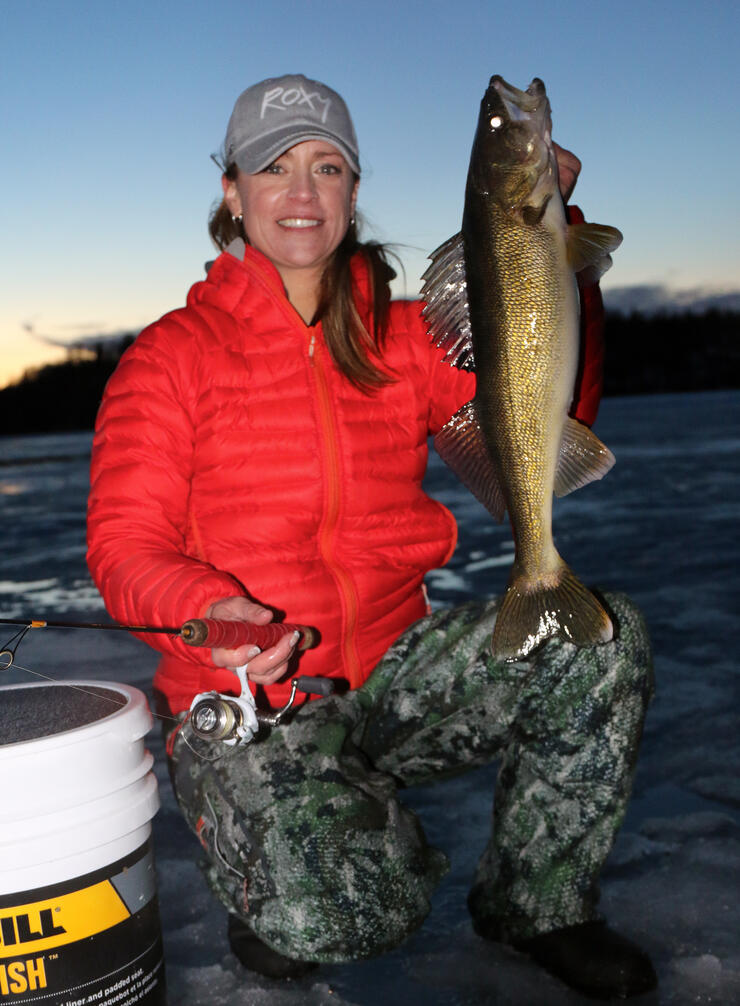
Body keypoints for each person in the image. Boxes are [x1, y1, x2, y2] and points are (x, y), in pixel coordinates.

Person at [87, 74, 657, 999]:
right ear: (233, 194)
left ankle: (537, 906)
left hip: (390, 677)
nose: (302, 192)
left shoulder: (408, 341)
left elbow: (552, 413)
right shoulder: (171, 358)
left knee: (600, 641)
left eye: (328, 166)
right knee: (353, 911)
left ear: (354, 192)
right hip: (254, 699)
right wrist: (211, 613)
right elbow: (124, 549)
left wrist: (561, 252)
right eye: (274, 168)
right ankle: (278, 855)